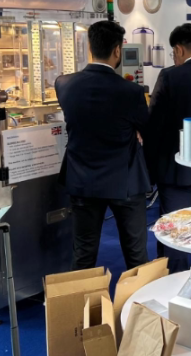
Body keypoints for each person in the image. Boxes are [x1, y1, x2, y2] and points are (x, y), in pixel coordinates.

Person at [56, 20, 150, 272]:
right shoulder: (131, 91)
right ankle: (139, 299)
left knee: (83, 254)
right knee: (136, 255)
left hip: (82, 180)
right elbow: (146, 128)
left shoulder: (63, 84)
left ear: (90, 47)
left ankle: (80, 299)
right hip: (125, 181)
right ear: (118, 50)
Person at [145, 23, 191, 273]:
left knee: (175, 230)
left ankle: (174, 281)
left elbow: (153, 125)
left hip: (174, 169)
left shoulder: (169, 76)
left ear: (178, 50)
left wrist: (150, 170)